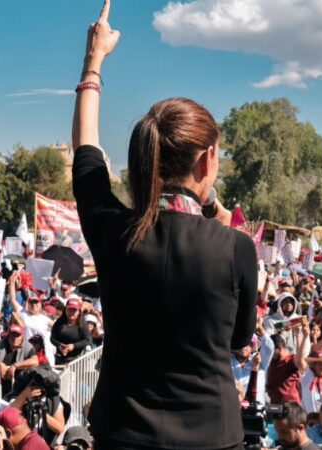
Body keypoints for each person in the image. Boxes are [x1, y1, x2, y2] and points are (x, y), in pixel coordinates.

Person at [71, 1, 257, 448]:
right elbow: (239, 338)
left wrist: (93, 62)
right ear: (208, 158)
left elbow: (86, 156)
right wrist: (212, 202)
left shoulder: (114, 231)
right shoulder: (235, 247)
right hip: (212, 434)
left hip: (124, 434)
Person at [0, 325, 38, 396]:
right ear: (8, 336)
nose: (15, 338)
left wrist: (15, 366)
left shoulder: (28, 346)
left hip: (20, 390)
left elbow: (35, 361)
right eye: (12, 335)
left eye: (17, 336)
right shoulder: (0, 345)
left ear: (22, 336)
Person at [49, 297, 91, 364]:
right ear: (65, 310)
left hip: (77, 361)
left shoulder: (82, 324)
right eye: (69, 309)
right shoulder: (59, 322)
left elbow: (88, 340)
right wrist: (59, 345)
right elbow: (52, 338)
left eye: (74, 310)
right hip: (60, 360)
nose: (71, 312)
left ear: (79, 312)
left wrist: (74, 346)